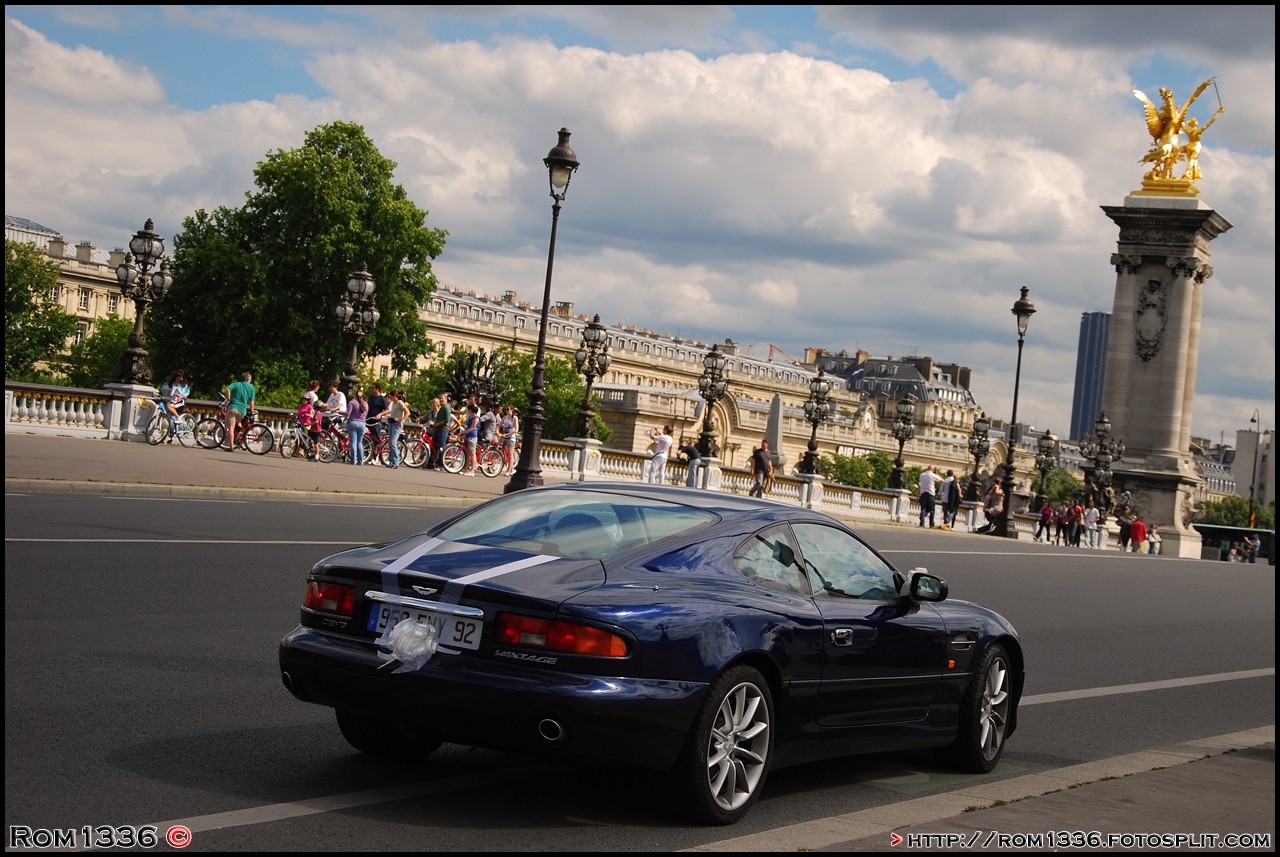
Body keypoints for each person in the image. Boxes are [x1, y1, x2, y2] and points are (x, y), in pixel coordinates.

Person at [222, 372, 255, 452]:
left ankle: (231, 447)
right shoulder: (251, 387)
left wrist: (228, 399)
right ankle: (239, 436)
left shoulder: (236, 384)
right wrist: (252, 410)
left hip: (233, 408)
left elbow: (228, 389)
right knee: (238, 422)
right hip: (242, 411)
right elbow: (251, 401)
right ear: (248, 379)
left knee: (231, 428)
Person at [377, 389, 408, 468]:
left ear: (394, 396)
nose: (389, 397)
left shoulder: (400, 402)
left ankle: (396, 462)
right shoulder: (393, 403)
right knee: (390, 443)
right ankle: (391, 462)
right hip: (391, 423)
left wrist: (402, 419)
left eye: (390, 396)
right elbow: (393, 413)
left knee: (393, 442)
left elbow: (407, 412)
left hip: (397, 424)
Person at [346, 389, 368, 465]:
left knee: (353, 442)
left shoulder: (352, 402)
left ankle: (353, 460)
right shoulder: (365, 404)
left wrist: (338, 411)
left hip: (352, 423)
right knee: (359, 442)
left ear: (355, 395)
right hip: (362, 424)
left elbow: (347, 413)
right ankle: (361, 461)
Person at [430, 397, 453, 471]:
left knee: (441, 447)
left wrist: (437, 424)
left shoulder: (446, 408)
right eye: (440, 399)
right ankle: (431, 463)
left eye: (443, 399)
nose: (441, 400)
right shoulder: (442, 408)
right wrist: (435, 424)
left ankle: (441, 465)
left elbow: (446, 420)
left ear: (446, 399)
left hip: (443, 429)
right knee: (433, 445)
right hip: (438, 428)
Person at [366, 383, 389, 448]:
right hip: (368, 419)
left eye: (373, 388)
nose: (371, 389)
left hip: (375, 421)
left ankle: (377, 451)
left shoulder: (382, 399)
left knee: (376, 437)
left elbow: (387, 410)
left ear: (377, 389)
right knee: (367, 436)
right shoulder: (371, 397)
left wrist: (380, 414)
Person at [461, 404, 481, 475]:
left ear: (471, 410)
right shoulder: (470, 417)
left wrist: (463, 432)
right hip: (468, 436)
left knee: (472, 454)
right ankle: (466, 469)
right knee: (467, 453)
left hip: (472, 436)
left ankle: (472, 470)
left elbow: (472, 428)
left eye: (468, 410)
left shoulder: (476, 418)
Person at [500, 405, 519, 475]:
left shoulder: (514, 418)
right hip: (504, 437)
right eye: (506, 409)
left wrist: (509, 434)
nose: (506, 411)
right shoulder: (504, 417)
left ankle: (508, 470)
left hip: (511, 438)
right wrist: (497, 431)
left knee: (510, 454)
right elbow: (499, 425)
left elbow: (516, 430)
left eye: (508, 409)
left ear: (512, 410)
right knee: (505, 453)